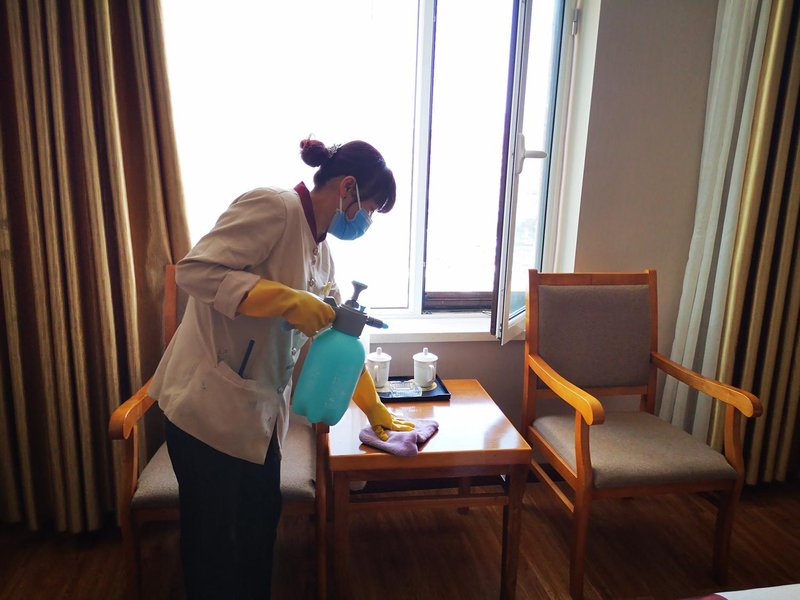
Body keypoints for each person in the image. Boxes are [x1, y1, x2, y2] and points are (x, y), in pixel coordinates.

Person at [148, 138, 414, 599]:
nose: (366, 222)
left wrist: (374, 408)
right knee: (213, 547)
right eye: (370, 209)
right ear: (347, 187)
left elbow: (335, 341)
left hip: (260, 419)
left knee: (258, 535)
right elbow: (195, 271)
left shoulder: (322, 254)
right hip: (206, 412)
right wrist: (283, 299)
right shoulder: (275, 207)